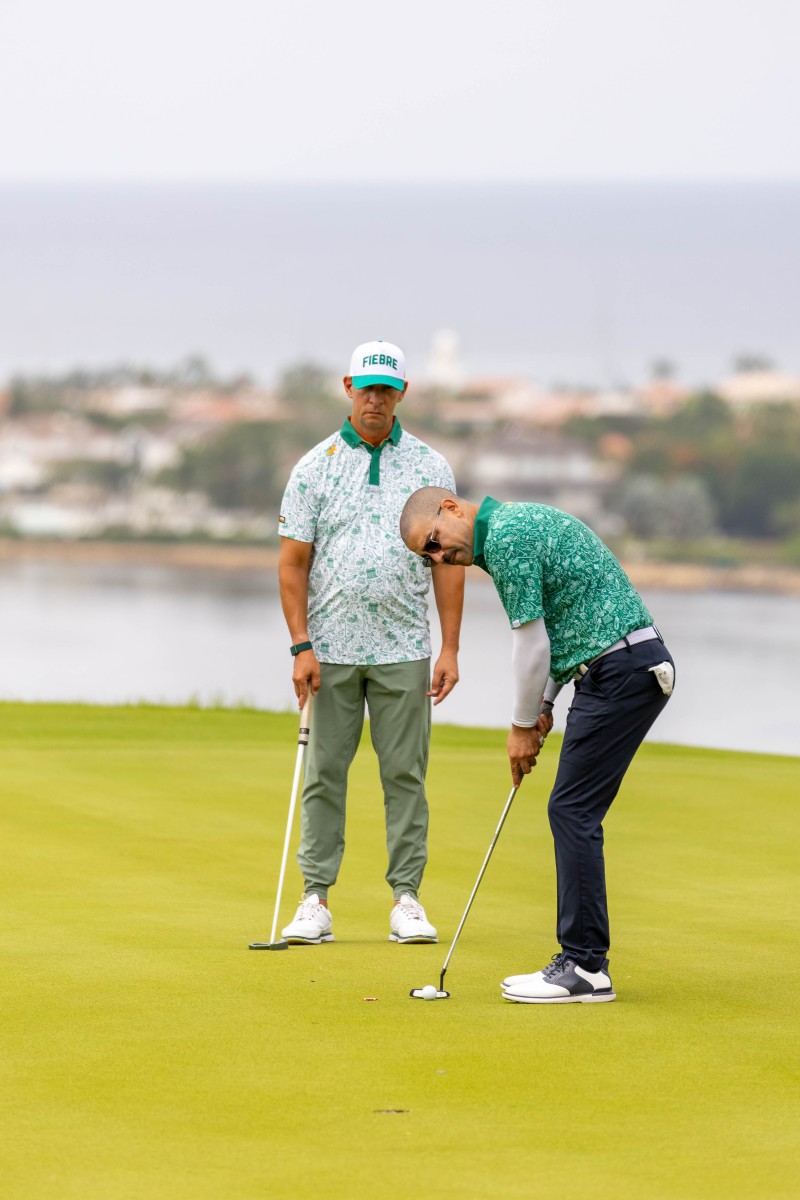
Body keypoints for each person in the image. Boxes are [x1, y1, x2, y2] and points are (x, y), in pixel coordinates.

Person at [399, 487, 675, 1003]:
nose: (438, 558)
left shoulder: (506, 537)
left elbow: (530, 643)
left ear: (452, 509)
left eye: (434, 542)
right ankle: (582, 962)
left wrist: (522, 725)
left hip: (621, 670)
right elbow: (559, 628)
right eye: (426, 557)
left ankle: (585, 968)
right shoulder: (511, 530)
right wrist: (545, 704)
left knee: (572, 810)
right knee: (573, 809)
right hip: (617, 667)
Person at [278, 341, 464, 946]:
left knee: (405, 775)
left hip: (404, 646)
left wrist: (450, 648)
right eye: (367, 388)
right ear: (348, 388)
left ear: (402, 392)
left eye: (386, 389)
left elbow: (448, 564)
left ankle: (407, 899)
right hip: (329, 650)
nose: (375, 399)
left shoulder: (431, 468)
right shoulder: (315, 466)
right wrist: (300, 645)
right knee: (324, 775)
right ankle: (315, 899)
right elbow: (292, 564)